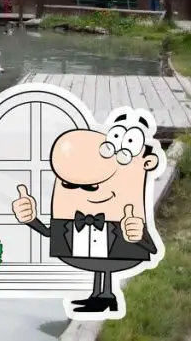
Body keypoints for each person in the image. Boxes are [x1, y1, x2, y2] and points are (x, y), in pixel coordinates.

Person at [11, 109, 162, 313]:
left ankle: (106, 295)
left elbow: (148, 245)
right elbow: (50, 233)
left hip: (118, 246)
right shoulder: (69, 219)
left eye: (90, 186)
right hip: (83, 249)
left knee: (107, 264)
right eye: (69, 185)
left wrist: (136, 234)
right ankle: (100, 296)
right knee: (100, 266)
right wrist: (30, 218)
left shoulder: (126, 211)